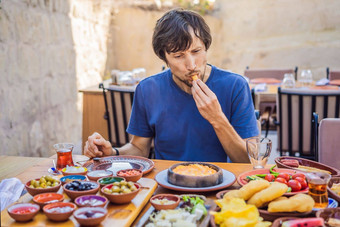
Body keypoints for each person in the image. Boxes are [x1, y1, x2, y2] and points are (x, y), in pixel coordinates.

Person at [84, 8, 258, 163]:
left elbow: (250, 161)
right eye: (178, 55)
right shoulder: (147, 90)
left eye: (196, 51)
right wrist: (112, 152)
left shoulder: (235, 86)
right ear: (164, 58)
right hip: (166, 189)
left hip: (220, 185)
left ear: (206, 48)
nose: (191, 65)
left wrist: (217, 119)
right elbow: (139, 149)